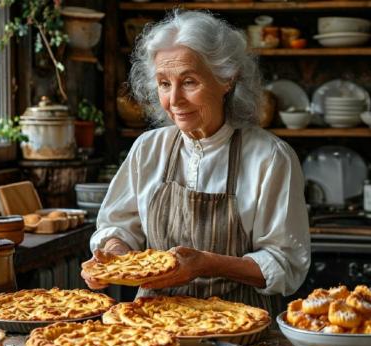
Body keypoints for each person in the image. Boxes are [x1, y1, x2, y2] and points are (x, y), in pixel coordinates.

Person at [81, 10, 310, 317]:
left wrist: (205, 264)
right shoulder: (148, 149)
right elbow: (118, 226)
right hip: (150, 329)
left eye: (189, 81)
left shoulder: (270, 157)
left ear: (226, 79)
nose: (174, 99)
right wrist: (114, 254)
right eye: (164, 83)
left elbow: (286, 265)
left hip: (243, 331)